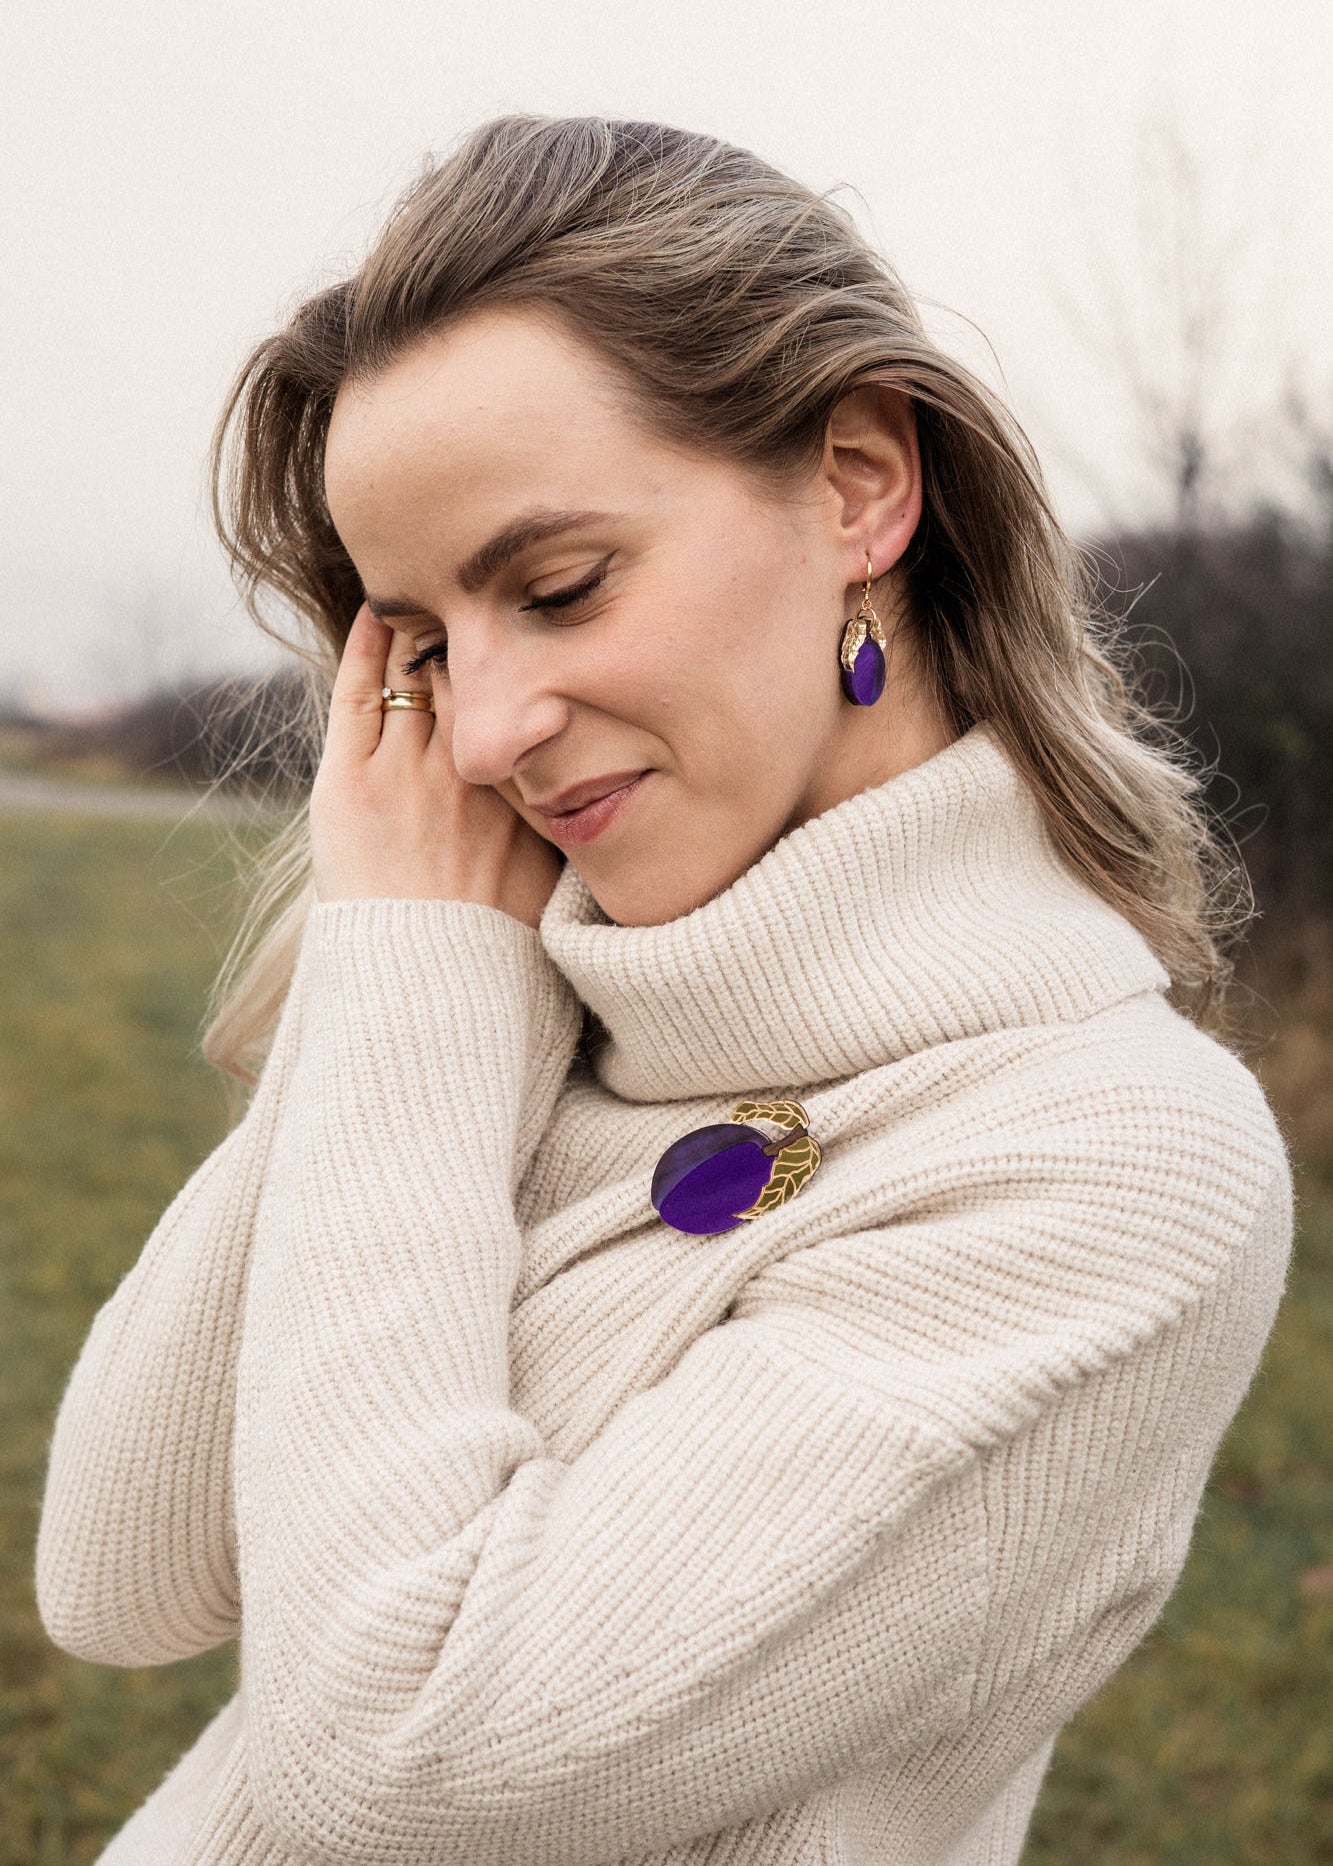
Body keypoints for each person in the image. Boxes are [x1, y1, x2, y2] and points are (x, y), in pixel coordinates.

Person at [35, 113, 1294, 1866]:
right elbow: (122, 1563)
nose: (480, 731)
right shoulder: (511, 975)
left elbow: (393, 1756)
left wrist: (421, 972)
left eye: (555, 587)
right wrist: (417, 971)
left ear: (859, 485)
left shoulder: (1112, 1161)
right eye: (421, 642)